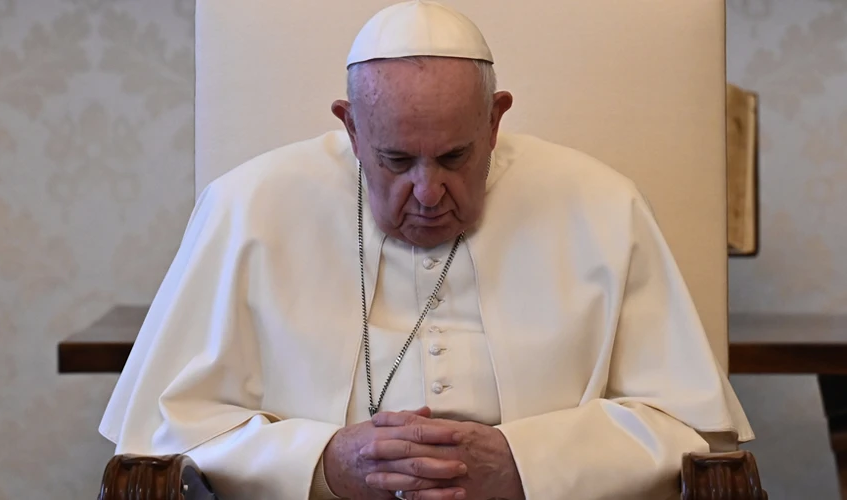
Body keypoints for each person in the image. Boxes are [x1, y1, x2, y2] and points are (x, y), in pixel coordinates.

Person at [99, 1, 754, 499]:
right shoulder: (248, 209)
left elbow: (691, 431)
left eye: (453, 157)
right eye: (394, 160)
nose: (427, 192)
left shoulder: (601, 204)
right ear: (351, 126)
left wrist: (525, 463)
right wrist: (323, 461)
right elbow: (161, 435)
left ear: (495, 119)